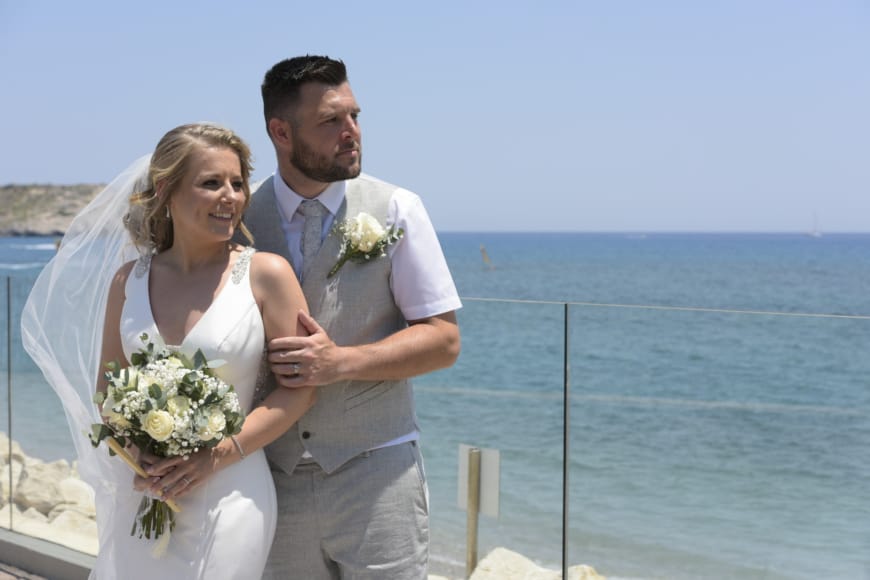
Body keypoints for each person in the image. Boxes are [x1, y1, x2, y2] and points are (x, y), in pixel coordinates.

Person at [23, 123, 316, 579]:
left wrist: (217, 454)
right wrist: (135, 453)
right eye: (211, 183)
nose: (231, 197)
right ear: (167, 191)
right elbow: (107, 392)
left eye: (237, 184)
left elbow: (299, 392)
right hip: (145, 491)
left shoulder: (266, 275)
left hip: (232, 492)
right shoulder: (128, 280)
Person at [246, 55, 462, 579]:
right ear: (281, 131)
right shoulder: (240, 221)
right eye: (331, 121)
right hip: (270, 480)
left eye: (355, 116)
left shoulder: (396, 209)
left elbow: (443, 341)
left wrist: (338, 362)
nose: (352, 133)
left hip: (378, 473)